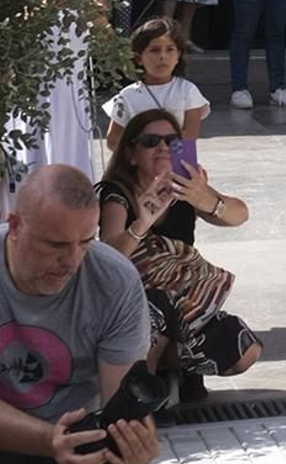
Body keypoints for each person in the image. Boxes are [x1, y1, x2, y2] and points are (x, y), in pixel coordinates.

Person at [0, 163, 162, 464]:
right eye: (56, 245)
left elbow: (119, 400)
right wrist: (45, 439)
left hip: (77, 438)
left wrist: (133, 444)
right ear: (15, 226)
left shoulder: (112, 279)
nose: (71, 261)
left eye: (85, 241)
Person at [98, 115, 258, 400]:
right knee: (156, 312)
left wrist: (206, 199)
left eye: (172, 142)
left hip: (183, 302)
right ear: (131, 154)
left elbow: (240, 215)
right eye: (151, 141)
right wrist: (142, 223)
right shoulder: (116, 193)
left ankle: (172, 369)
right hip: (135, 302)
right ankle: (141, 396)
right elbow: (110, 259)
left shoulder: (184, 188)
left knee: (245, 351)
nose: (163, 148)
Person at [104, 16, 210, 156]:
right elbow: (113, 140)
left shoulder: (187, 91)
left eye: (170, 50)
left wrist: (165, 156)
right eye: (154, 50)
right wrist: (138, 155)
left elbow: (190, 136)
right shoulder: (127, 96)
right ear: (138, 58)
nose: (162, 56)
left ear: (178, 56)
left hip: (179, 161)